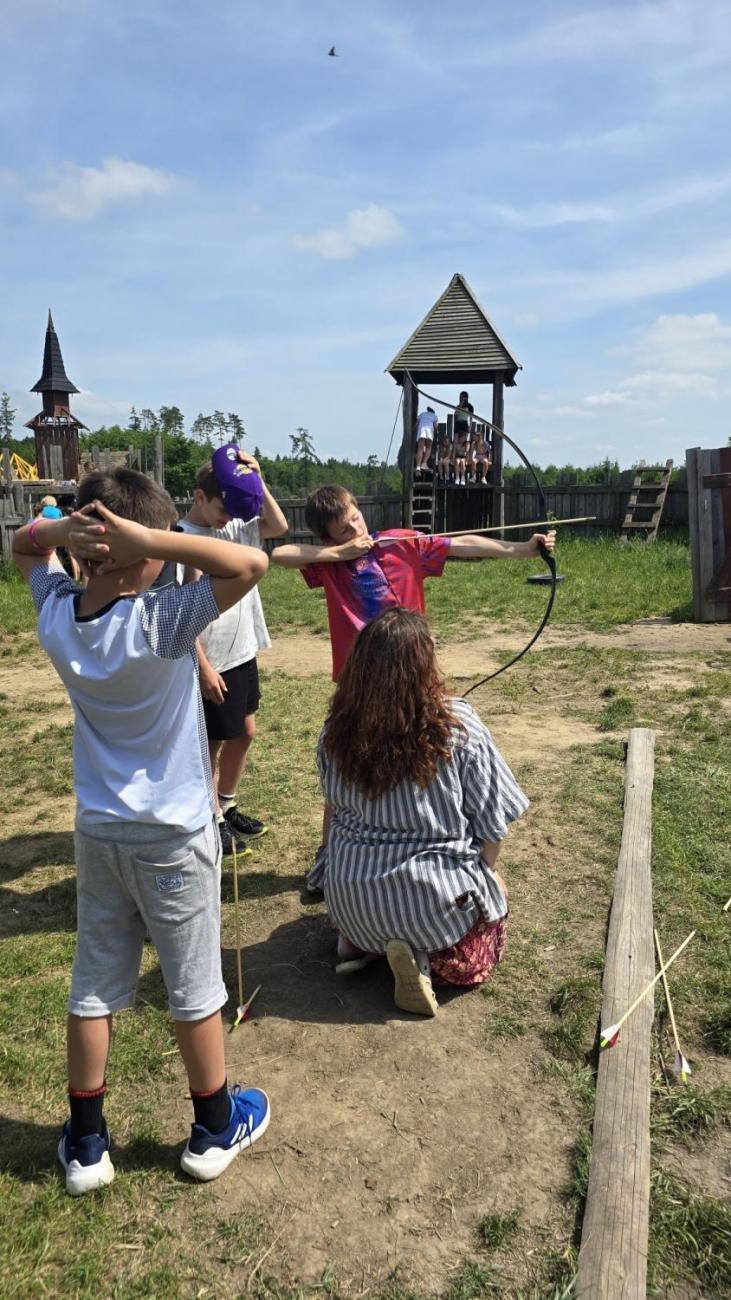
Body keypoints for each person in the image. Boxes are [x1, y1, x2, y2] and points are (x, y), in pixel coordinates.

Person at [12, 467, 271, 1195]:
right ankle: (214, 1125)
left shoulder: (60, 614)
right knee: (194, 986)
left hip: (100, 831)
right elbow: (249, 563)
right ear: (146, 552)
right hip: (173, 833)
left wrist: (63, 534)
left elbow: (25, 552)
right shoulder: (161, 620)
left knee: (94, 983)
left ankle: (88, 1144)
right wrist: (148, 537)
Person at [271, 484, 554, 889]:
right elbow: (279, 554)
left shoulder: (401, 542)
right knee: (349, 761)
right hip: (360, 680)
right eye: (342, 529)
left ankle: (436, 835)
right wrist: (339, 554)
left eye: (355, 517)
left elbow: (460, 545)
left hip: (415, 672)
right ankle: (330, 856)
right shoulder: (330, 563)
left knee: (426, 753)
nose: (355, 528)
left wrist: (522, 550)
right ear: (327, 538)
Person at [318, 608, 527, 1015]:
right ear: (425, 663)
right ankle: (423, 959)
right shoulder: (457, 725)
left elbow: (333, 811)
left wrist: (327, 866)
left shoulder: (335, 731)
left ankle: (363, 941)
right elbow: (493, 823)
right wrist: (487, 877)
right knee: (480, 943)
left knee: (373, 908)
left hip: (348, 898)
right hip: (435, 905)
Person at [178, 449, 288, 855]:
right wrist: (203, 667)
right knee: (210, 743)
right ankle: (210, 819)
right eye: (222, 508)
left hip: (242, 650)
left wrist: (258, 480)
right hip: (211, 659)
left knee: (245, 731)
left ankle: (226, 802)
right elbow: (182, 612)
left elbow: (278, 525)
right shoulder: (182, 539)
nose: (228, 518)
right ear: (200, 497)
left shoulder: (235, 525)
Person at [414, 407, 438, 476]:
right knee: (428, 447)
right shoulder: (434, 415)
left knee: (420, 449)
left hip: (421, 431)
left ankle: (418, 466)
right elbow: (436, 426)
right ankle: (424, 463)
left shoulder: (422, 414)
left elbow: (416, 423)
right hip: (429, 432)